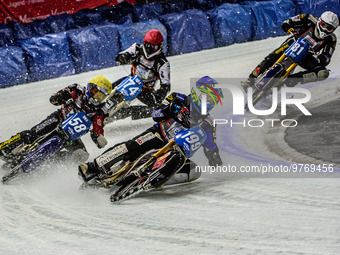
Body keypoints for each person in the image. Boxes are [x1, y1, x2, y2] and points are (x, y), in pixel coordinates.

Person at [78, 76, 223, 185]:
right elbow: (156, 114)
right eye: (208, 100)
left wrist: (214, 155)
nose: (209, 105)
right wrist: (168, 111)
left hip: (175, 151)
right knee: (131, 147)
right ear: (199, 93)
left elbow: (211, 146)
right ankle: (92, 167)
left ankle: (152, 179)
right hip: (158, 135)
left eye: (212, 103)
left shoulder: (208, 123)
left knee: (193, 171)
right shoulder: (178, 98)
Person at [0, 75, 113, 165]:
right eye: (95, 93)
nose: (96, 98)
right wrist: (60, 97)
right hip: (58, 119)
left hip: (72, 135)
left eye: (101, 96)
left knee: (81, 155)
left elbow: (98, 128)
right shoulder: (77, 89)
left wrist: (99, 137)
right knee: (33, 133)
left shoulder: (101, 111)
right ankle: (4, 146)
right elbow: (54, 98)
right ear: (90, 87)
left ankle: (50, 165)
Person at [241, 11, 339, 90]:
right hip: (293, 43)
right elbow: (288, 22)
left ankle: (293, 79)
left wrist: (322, 58)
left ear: (333, 30)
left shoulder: (331, 39)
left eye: (329, 28)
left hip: (306, 56)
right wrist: (288, 27)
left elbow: (327, 57)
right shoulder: (308, 19)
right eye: (323, 25)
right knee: (272, 57)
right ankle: (251, 79)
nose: (325, 30)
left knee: (323, 73)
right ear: (319, 22)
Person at [110, 29, 171, 120]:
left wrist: (161, 93)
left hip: (145, 89)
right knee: (109, 89)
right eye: (147, 45)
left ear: (160, 46)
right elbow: (119, 57)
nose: (149, 49)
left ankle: (129, 112)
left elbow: (166, 85)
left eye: (152, 47)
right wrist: (123, 57)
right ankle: (94, 103)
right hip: (131, 79)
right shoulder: (136, 48)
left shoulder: (162, 63)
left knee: (156, 110)